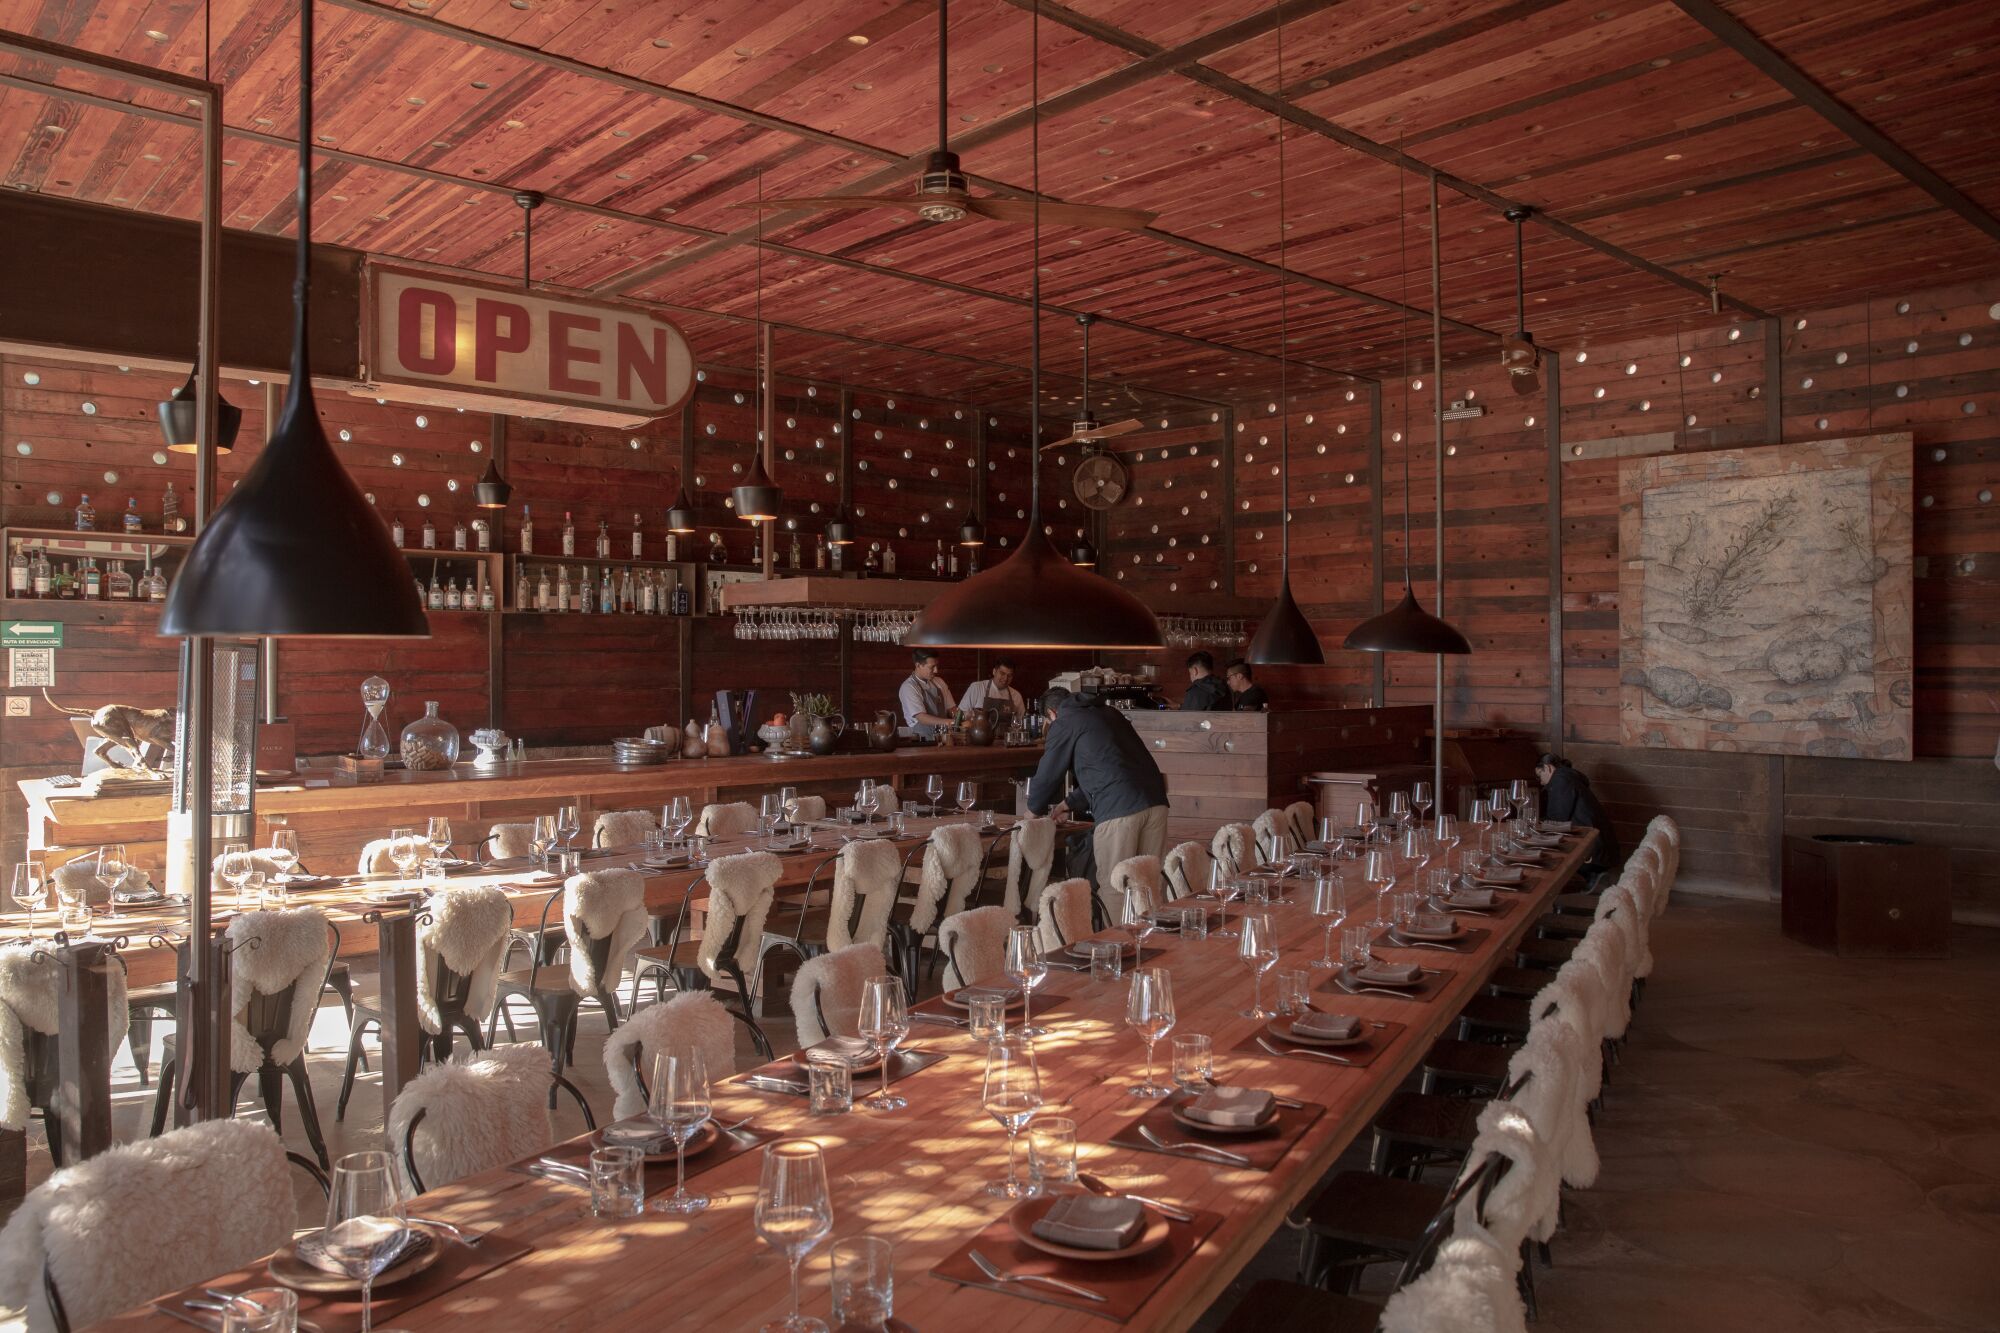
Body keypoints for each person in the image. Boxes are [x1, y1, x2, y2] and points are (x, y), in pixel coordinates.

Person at [1027, 687, 1170, 913]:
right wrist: (1067, 805)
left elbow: (1047, 775)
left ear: (1052, 713)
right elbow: (1111, 770)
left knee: (1116, 887)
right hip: (1156, 802)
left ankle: (1115, 947)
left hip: (1119, 810)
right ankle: (1150, 945)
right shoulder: (1109, 713)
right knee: (1148, 885)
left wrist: (1030, 813)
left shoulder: (1065, 721)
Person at [1534, 753, 1620, 874]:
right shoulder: (1569, 777)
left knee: (1542, 854)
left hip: (1594, 855)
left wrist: (1535, 826)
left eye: (1539, 775)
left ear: (1548, 768)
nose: (1541, 782)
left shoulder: (1560, 779)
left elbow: (1556, 820)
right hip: (1602, 850)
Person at [897, 648, 957, 741]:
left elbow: (952, 709)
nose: (936, 670)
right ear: (918, 665)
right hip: (922, 741)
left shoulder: (939, 682)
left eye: (936, 666)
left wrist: (962, 717)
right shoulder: (908, 687)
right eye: (932, 667)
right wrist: (951, 722)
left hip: (945, 738)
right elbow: (921, 718)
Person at [960, 658, 1026, 722]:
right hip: (980, 732)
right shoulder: (977, 687)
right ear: (994, 672)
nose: (1005, 678)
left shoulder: (1016, 696)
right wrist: (968, 716)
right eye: (1002, 673)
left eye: (1009, 675)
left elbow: (1022, 721)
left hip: (1005, 733)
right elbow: (960, 714)